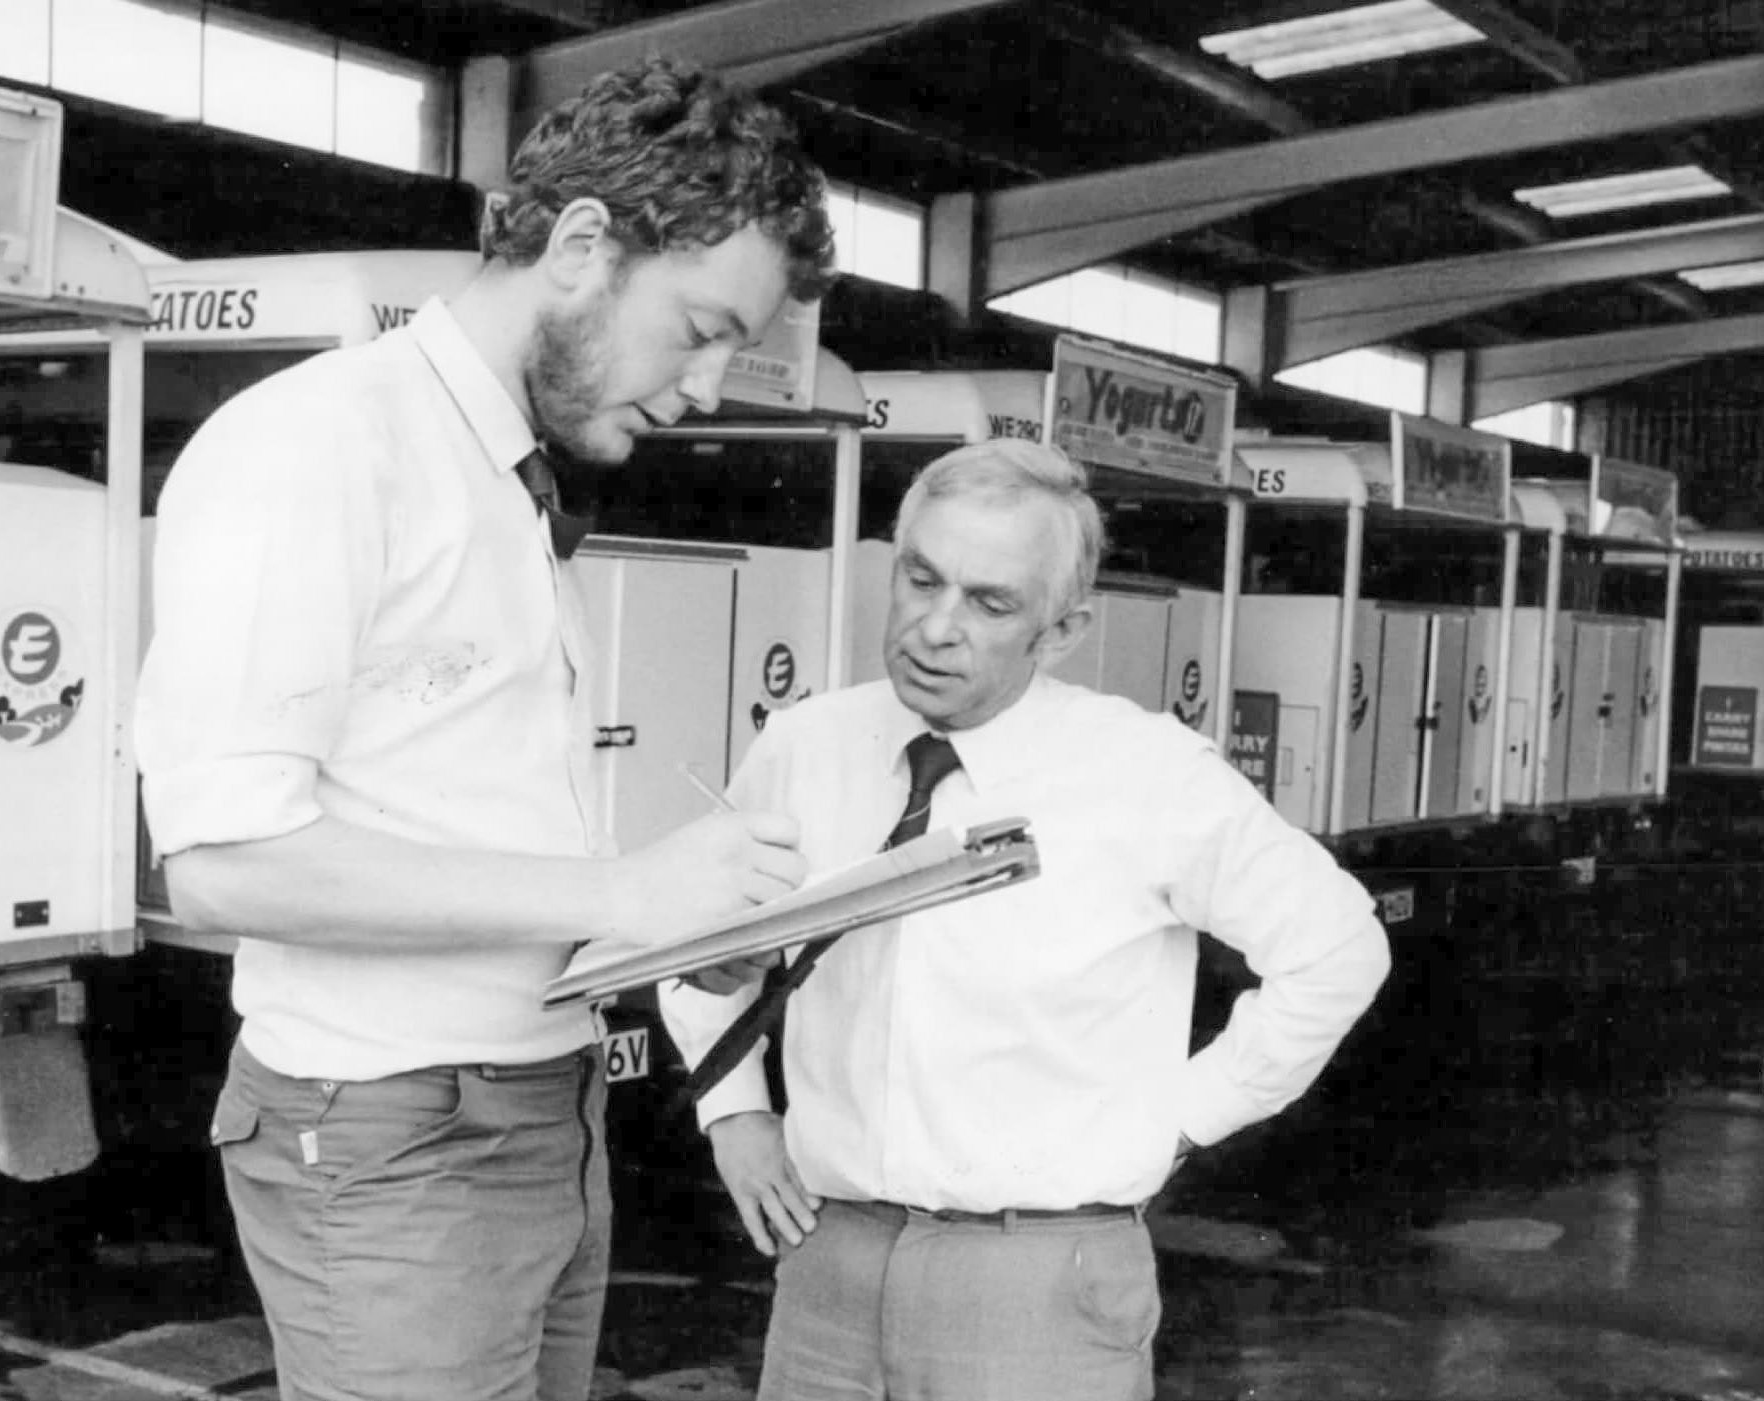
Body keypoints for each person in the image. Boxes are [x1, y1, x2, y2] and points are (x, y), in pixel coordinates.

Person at [134, 56, 834, 1401]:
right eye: (697, 328)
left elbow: (447, 814)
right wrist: (618, 887)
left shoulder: (502, 476)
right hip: (399, 1127)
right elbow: (222, 863)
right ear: (581, 246)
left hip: (536, 1104)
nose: (701, 389)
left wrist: (676, 913)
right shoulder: (321, 445)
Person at [661, 439, 1392, 1401]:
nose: (935, 628)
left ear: (1060, 630)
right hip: (828, 1261)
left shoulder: (1144, 775)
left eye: (990, 602)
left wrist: (1177, 1120)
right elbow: (703, 934)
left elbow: (1338, 947)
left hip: (1038, 1280)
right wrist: (734, 1110)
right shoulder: (808, 745)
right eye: (921, 580)